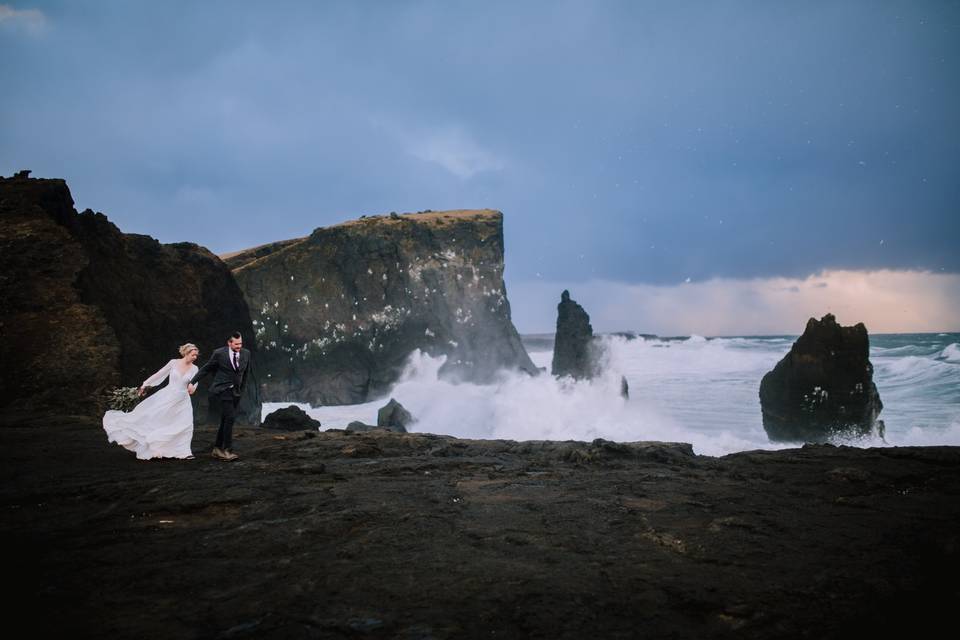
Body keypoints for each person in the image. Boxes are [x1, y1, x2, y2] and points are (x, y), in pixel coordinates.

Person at [103, 343, 200, 460]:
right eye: (193, 355)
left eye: (196, 356)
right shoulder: (173, 363)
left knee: (184, 424)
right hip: (168, 396)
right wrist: (145, 384)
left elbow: (194, 386)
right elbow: (159, 374)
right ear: (186, 353)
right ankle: (157, 448)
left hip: (182, 400)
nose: (195, 357)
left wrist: (192, 387)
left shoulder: (195, 369)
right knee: (157, 419)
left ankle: (184, 452)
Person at [190, 331, 252, 461]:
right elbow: (207, 368)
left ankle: (217, 448)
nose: (239, 346)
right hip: (222, 389)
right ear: (229, 343)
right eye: (236, 344)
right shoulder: (219, 353)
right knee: (230, 418)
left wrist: (242, 390)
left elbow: (245, 373)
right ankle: (227, 450)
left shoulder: (246, 353)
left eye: (240, 343)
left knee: (225, 420)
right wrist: (193, 381)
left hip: (236, 392)